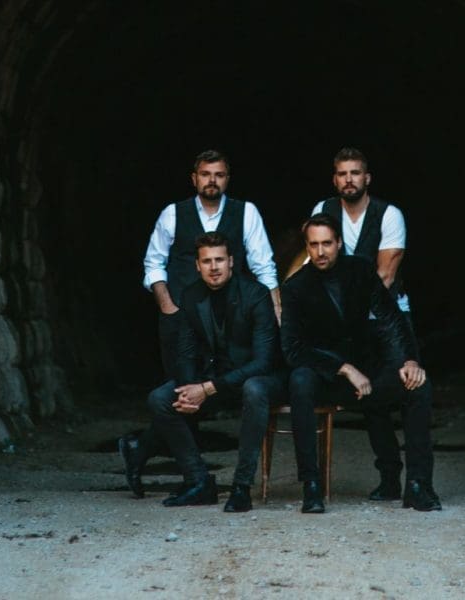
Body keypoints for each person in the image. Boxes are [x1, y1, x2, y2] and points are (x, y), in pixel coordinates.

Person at [120, 150, 280, 498]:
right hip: (183, 318)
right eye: (205, 174)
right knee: (183, 394)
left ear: (227, 179)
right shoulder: (173, 213)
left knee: (203, 394)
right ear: (194, 178)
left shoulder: (245, 212)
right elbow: (153, 263)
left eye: (219, 174)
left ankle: (147, 453)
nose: (212, 180)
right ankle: (193, 477)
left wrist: (274, 309)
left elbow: (264, 266)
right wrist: (169, 307)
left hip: (233, 319)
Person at [280, 214, 439, 514]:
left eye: (327, 243)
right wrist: (343, 368)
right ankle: (311, 485)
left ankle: (417, 484)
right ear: (307, 247)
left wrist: (409, 360)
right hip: (328, 378)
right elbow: (293, 348)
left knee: (418, 385)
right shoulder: (295, 287)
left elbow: (390, 318)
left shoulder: (360, 270)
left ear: (339, 243)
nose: (321, 251)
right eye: (313, 245)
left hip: (367, 369)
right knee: (299, 380)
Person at [144, 232, 284, 511]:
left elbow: (264, 361)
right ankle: (198, 481)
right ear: (197, 266)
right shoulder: (191, 295)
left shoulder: (255, 294)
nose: (214, 267)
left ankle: (241, 486)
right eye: (207, 261)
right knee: (160, 398)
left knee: (254, 389)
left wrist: (207, 389)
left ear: (231, 261)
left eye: (219, 260)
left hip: (260, 379)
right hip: (215, 380)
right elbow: (185, 352)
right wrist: (189, 391)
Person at [311, 147, 420, 363]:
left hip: (386, 312)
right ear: (335, 180)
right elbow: (317, 263)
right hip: (338, 313)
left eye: (355, 173)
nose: (348, 180)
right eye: (342, 174)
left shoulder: (389, 214)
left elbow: (386, 276)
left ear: (367, 178)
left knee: (404, 375)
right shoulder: (323, 210)